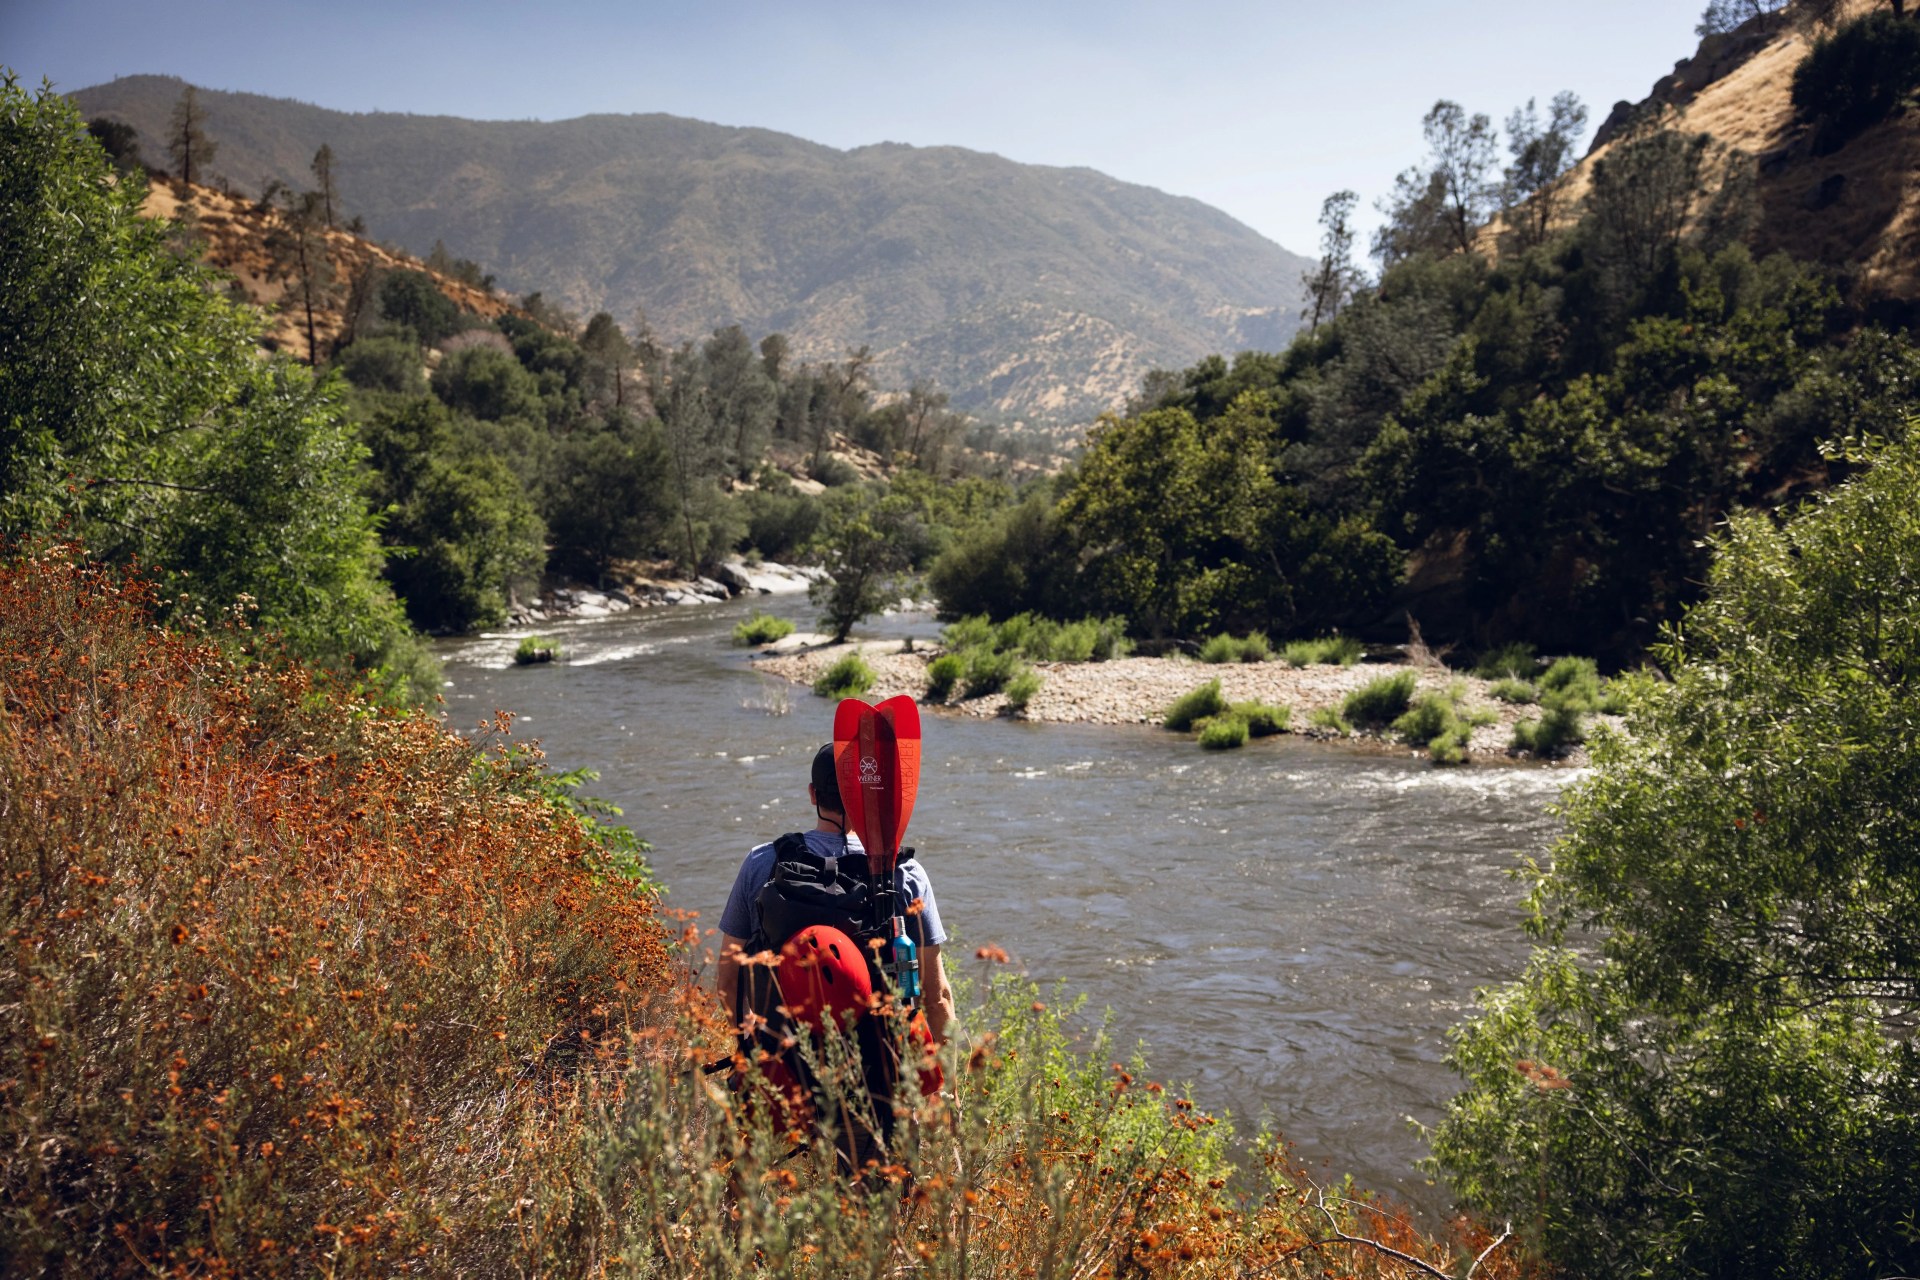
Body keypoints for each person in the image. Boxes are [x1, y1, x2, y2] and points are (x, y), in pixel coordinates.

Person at [717, 743, 954, 1045]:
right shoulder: (904, 874)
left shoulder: (761, 862)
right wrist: (951, 1090)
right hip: (882, 1072)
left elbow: (728, 982)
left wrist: (756, 1054)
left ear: (813, 794)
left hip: (788, 1068)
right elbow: (937, 998)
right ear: (868, 796)